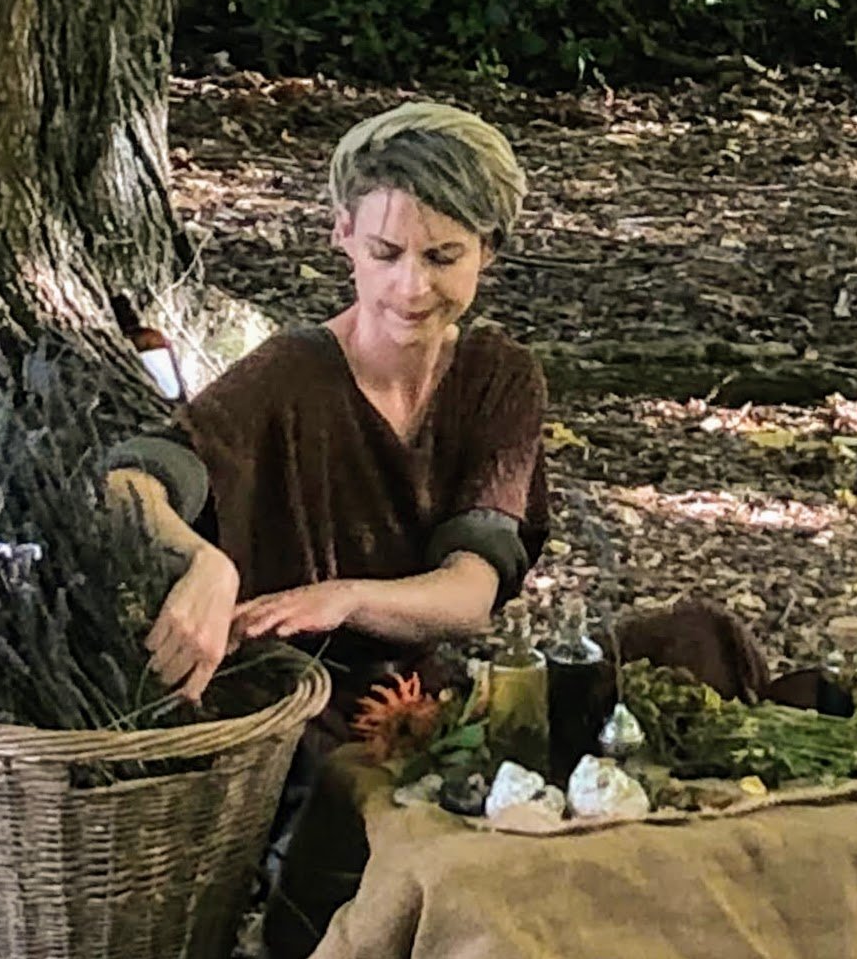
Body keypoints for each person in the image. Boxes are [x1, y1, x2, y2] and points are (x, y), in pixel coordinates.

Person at [104, 102, 551, 708]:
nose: (412, 288)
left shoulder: (497, 377)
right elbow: (130, 483)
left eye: (443, 257)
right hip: (287, 709)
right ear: (344, 234)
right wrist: (204, 564)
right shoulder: (293, 372)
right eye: (385, 253)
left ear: (487, 249)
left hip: (416, 704)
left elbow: (470, 593)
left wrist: (345, 598)